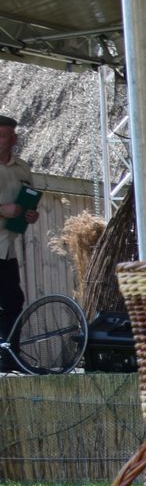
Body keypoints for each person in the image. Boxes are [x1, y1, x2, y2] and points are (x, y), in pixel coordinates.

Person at [0, 113, 37, 342]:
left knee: (13, 302)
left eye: (4, 136)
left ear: (14, 139)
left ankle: (10, 356)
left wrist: (31, 213)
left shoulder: (22, 169)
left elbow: (29, 199)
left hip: (8, 249)